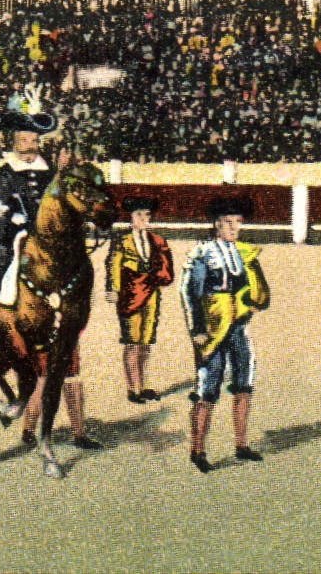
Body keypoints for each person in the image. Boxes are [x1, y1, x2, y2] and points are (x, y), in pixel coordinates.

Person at [181, 195, 270, 473]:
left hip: (238, 325)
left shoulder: (243, 253)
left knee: (244, 380)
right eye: (228, 222)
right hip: (212, 327)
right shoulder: (202, 253)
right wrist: (196, 329)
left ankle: (241, 444)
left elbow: (255, 286)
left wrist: (254, 301)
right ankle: (198, 450)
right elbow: (189, 292)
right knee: (208, 385)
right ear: (217, 224)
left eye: (237, 223)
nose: (234, 228)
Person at [0, 88, 59, 356]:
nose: (28, 145)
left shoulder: (50, 173)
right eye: (22, 140)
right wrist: (11, 222)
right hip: (8, 236)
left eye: (32, 139)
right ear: (14, 142)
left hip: (42, 235)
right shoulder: (3, 174)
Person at [105, 195, 175, 404]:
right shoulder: (122, 240)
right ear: (131, 218)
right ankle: (131, 388)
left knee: (145, 343)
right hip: (129, 294)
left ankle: (141, 386)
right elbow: (114, 265)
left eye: (147, 215)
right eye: (139, 215)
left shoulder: (157, 241)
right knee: (132, 343)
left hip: (151, 294)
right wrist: (114, 289)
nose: (144, 218)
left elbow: (164, 269)